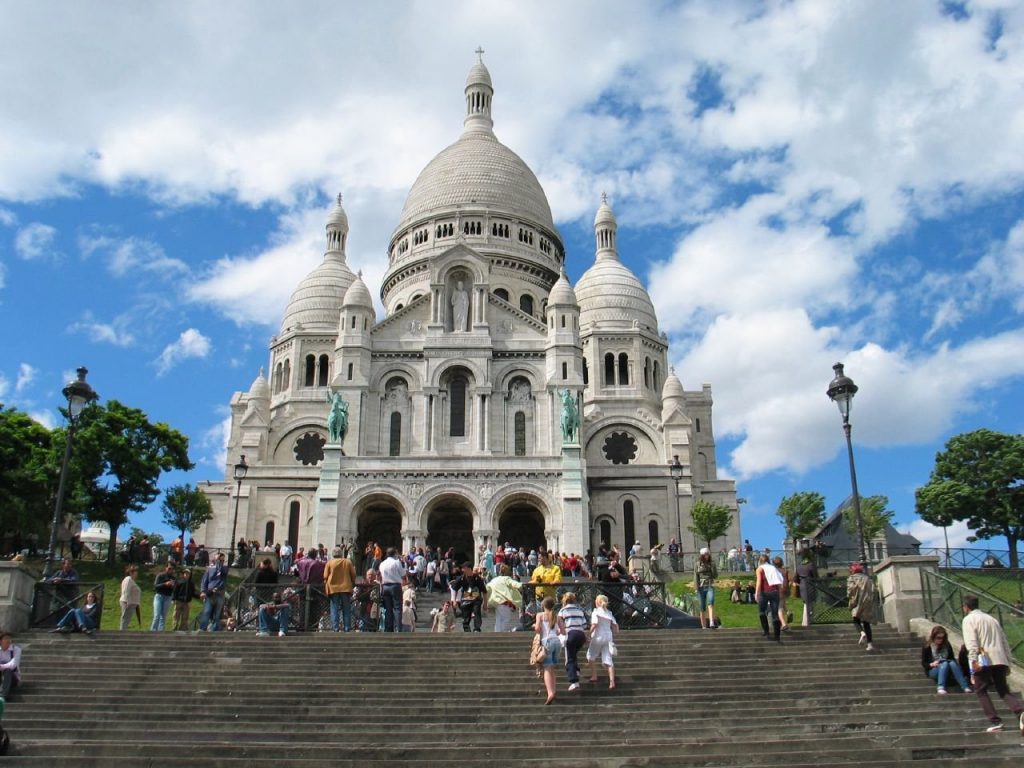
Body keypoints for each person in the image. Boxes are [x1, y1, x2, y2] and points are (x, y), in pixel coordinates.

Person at [961, 593, 1024, 734]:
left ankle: (995, 721)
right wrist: (1008, 661)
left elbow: (971, 644)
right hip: (999, 658)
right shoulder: (992, 619)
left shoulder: (968, 620)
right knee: (1003, 689)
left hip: (983, 660)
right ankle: (1020, 712)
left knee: (981, 690)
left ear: (966, 607)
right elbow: (1004, 640)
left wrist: (972, 664)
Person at [921, 625, 971, 695]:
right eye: (938, 638)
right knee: (944, 664)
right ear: (933, 636)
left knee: (951, 663)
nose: (940, 640)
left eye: (943, 638)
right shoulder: (927, 646)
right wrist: (931, 664)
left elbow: (951, 658)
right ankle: (941, 687)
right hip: (934, 669)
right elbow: (924, 663)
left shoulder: (946, 645)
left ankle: (965, 686)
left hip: (948, 667)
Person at [587, 594, 618, 690]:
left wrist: (588, 634)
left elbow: (594, 624)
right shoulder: (609, 613)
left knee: (590, 655)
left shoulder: (596, 612)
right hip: (608, 636)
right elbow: (615, 626)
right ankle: (612, 681)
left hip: (598, 636)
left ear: (597, 602)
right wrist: (614, 633)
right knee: (608, 659)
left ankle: (594, 675)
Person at [558, 592, 588, 692]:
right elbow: (584, 625)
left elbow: (560, 624)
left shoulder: (563, 610)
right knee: (573, 653)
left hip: (570, 633)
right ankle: (576, 670)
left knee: (569, 658)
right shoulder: (580, 609)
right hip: (581, 635)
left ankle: (574, 681)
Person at [535, 596, 561, 705]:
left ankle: (550, 692)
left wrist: (535, 626)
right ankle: (553, 690)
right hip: (557, 642)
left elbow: (537, 629)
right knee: (552, 668)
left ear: (543, 606)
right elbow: (562, 631)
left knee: (547, 668)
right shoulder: (557, 616)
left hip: (547, 642)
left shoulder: (540, 615)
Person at [324, 546, 357, 632]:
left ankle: (335, 628)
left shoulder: (329, 563)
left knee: (334, 608)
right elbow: (353, 574)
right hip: (346, 587)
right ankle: (347, 628)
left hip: (333, 588)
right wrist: (353, 582)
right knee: (346, 609)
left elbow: (325, 576)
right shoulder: (347, 562)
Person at [846, 563, 877, 652]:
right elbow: (873, 590)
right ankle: (870, 644)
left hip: (856, 602)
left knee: (856, 620)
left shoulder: (852, 578)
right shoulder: (867, 578)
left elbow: (850, 591)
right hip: (867, 602)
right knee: (866, 623)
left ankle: (862, 633)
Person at [450, 562, 487, 632]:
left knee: (476, 611)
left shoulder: (477, 578)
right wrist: (454, 600)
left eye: (464, 568)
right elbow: (454, 589)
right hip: (466, 598)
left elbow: (484, 591)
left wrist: (485, 603)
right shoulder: (462, 578)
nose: (462, 570)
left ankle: (477, 629)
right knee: (466, 615)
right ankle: (467, 629)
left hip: (476, 598)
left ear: (469, 569)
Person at [486, 565, 523, 632]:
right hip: (504, 601)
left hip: (495, 601)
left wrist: (487, 602)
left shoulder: (494, 580)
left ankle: (497, 632)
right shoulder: (507, 579)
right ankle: (501, 632)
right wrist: (521, 585)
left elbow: (487, 587)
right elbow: (515, 584)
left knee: (499, 619)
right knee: (506, 618)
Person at [755, 554, 783, 642]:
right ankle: (777, 635)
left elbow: (759, 581)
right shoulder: (773, 568)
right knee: (775, 614)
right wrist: (780, 592)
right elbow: (779, 581)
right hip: (775, 592)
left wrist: (757, 593)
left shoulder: (760, 569)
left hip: (764, 592)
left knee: (761, 612)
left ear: (760, 561)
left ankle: (766, 630)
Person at [199, 552, 229, 631]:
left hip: (220, 593)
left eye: (222, 559)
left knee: (217, 613)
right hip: (210, 593)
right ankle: (203, 628)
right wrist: (203, 591)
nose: (220, 560)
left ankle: (214, 629)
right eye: (219, 559)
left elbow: (222, 571)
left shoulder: (225, 568)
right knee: (207, 611)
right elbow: (204, 581)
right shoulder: (210, 569)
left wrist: (219, 563)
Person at [378, 547, 406, 632]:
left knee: (388, 608)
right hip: (395, 586)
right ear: (395, 554)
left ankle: (388, 628)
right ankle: (398, 628)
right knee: (397, 608)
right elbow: (403, 573)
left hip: (385, 586)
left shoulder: (382, 563)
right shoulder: (396, 562)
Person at [694, 547, 718, 630]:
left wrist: (713, 567)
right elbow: (695, 576)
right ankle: (703, 625)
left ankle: (711, 622)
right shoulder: (697, 564)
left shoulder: (711, 563)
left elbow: (715, 575)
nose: (706, 556)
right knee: (702, 607)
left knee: (710, 602)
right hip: (701, 586)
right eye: (705, 555)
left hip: (709, 585)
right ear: (702, 555)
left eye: (708, 554)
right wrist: (696, 587)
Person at [151, 562, 177, 632]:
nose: (170, 570)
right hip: (159, 596)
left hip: (168, 597)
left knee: (163, 616)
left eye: (172, 569)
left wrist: (173, 586)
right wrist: (165, 584)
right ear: (166, 568)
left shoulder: (174, 578)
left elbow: (175, 590)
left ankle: (161, 632)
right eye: (169, 568)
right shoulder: (160, 575)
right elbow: (155, 586)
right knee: (157, 615)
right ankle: (153, 631)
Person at [795, 553, 818, 626]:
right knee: (810, 603)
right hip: (810, 584)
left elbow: (795, 578)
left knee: (805, 602)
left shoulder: (799, 567)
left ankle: (806, 621)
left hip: (802, 585)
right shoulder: (811, 565)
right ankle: (809, 620)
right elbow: (815, 576)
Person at [119, 565, 142, 631]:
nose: (137, 573)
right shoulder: (128, 579)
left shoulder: (131, 580)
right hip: (128, 603)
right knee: (125, 619)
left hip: (131, 603)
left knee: (127, 619)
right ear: (131, 572)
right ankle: (122, 633)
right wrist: (128, 601)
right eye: (135, 572)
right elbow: (126, 590)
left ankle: (123, 631)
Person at [0, 635, 21, 702]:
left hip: (13, 678)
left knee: (8, 670)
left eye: (9, 639)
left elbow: (13, 665)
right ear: (1, 641)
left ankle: (3, 696)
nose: (8, 641)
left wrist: (1, 667)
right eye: (5, 639)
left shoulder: (16, 649)